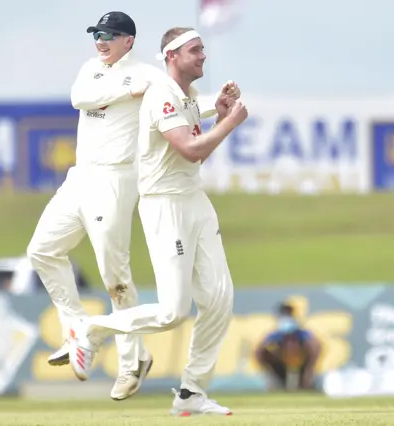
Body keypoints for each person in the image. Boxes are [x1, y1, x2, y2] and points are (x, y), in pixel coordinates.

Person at [67, 27, 247, 416]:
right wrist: (232, 122)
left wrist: (220, 106)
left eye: (202, 50)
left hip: (194, 200)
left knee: (219, 299)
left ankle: (191, 394)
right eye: (195, 50)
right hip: (165, 206)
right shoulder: (162, 92)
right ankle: (91, 330)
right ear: (173, 56)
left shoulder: (186, 96)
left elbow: (194, 126)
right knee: (172, 311)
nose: (203, 56)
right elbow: (190, 148)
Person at [26, 11, 163, 401]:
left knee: (114, 277)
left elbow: (180, 100)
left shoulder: (149, 76)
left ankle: (132, 361)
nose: (101, 41)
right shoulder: (93, 68)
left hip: (116, 179)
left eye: (109, 35)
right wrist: (126, 91)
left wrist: (218, 108)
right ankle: (77, 331)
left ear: (128, 41)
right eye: (97, 34)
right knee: (42, 251)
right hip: (80, 176)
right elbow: (79, 98)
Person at [255, 302, 321, 391]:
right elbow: (259, 351)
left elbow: (316, 346)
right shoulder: (275, 335)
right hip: (280, 367)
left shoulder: (301, 333)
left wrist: (309, 370)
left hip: (301, 365)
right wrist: (270, 371)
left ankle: (305, 383)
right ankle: (277, 382)